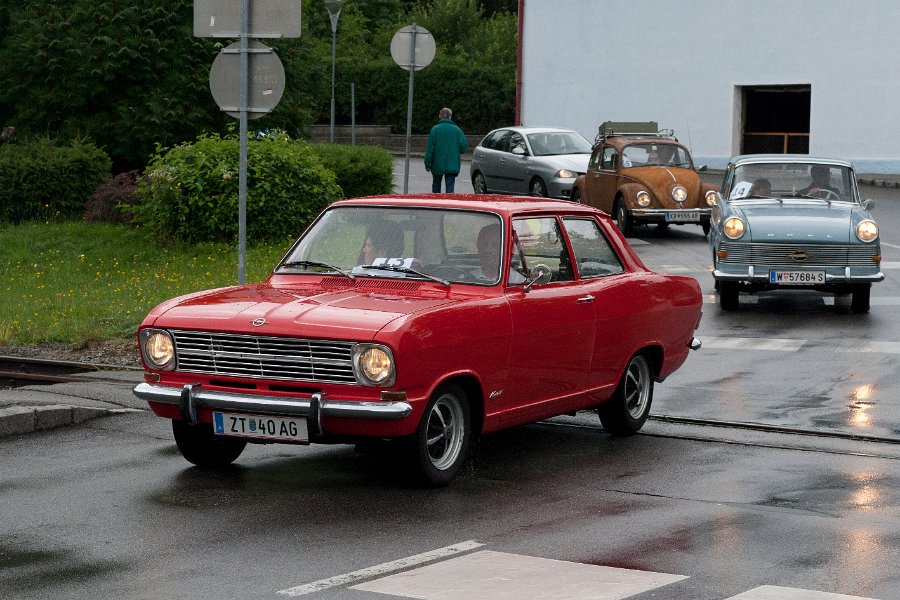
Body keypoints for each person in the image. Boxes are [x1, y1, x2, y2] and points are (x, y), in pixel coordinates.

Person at [424, 107, 468, 193]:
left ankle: (436, 204)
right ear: (450, 116)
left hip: (437, 163)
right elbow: (464, 146)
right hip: (452, 164)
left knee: (436, 187)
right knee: (450, 188)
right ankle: (448, 204)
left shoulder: (435, 129)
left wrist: (427, 163)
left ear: (440, 116)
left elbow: (430, 149)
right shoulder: (457, 130)